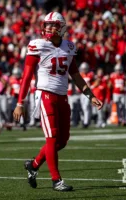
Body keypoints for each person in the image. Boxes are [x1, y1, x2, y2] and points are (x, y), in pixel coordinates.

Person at [13, 12, 103, 191]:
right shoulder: (37, 45)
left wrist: (90, 95)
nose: (49, 28)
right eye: (47, 24)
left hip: (62, 96)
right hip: (45, 95)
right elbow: (27, 76)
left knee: (62, 141)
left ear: (62, 28)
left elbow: (75, 75)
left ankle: (34, 165)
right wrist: (20, 102)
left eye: (54, 25)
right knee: (52, 137)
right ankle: (56, 180)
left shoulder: (69, 47)